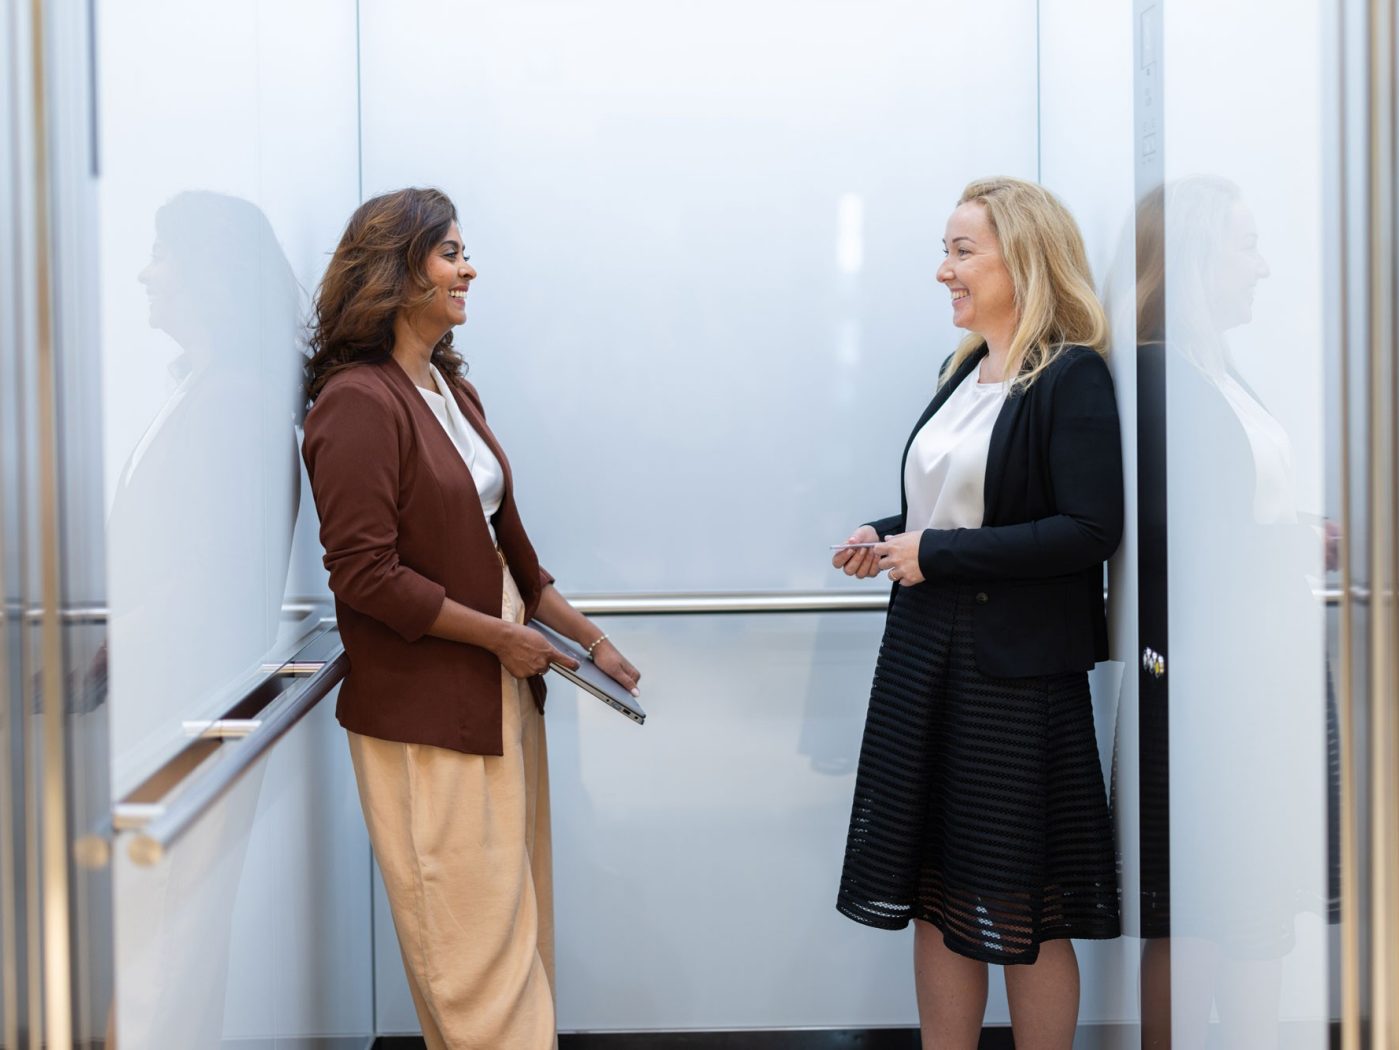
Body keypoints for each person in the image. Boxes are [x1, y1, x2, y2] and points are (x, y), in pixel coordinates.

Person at [301, 187, 641, 1050]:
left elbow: (513, 555)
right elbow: (365, 573)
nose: (469, 268)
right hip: (429, 711)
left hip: (497, 691)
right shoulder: (356, 401)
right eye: (451, 252)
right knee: (467, 953)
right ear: (396, 267)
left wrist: (589, 641)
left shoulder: (450, 388)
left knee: (511, 931)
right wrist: (501, 638)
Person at [832, 177, 1122, 1050]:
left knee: (1021, 901)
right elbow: (961, 507)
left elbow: (1086, 530)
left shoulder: (1072, 376)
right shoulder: (964, 370)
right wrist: (885, 534)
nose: (941, 272)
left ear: (1022, 259)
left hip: (1012, 676)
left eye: (961, 252)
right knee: (933, 889)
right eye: (946, 251)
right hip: (923, 655)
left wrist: (936, 553)